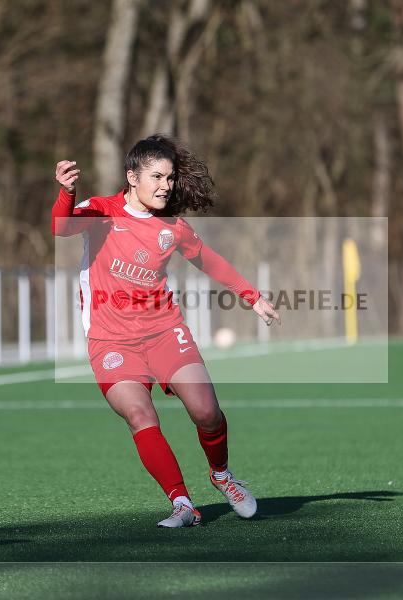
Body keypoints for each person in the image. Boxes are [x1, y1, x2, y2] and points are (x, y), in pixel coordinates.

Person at [51, 135, 280, 528]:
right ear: (132, 177)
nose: (165, 185)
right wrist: (67, 193)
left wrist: (251, 296)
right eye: (156, 176)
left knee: (206, 412)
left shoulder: (172, 227)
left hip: (163, 331)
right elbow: (62, 228)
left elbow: (209, 261)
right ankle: (182, 503)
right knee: (140, 415)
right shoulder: (101, 210)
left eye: (170, 178)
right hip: (110, 339)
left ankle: (222, 475)